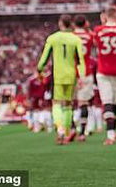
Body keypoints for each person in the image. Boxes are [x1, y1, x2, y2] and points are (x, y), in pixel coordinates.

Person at [36, 14, 86, 145]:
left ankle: (60, 130)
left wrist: (39, 69)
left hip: (57, 76)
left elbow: (44, 58)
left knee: (57, 103)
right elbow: (81, 60)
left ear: (60, 23)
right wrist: (82, 76)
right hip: (71, 75)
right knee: (68, 104)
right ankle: (67, 132)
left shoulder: (52, 38)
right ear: (70, 24)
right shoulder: (76, 39)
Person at [92, 5, 116, 145]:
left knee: (107, 102)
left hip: (103, 70)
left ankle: (110, 134)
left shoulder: (98, 30)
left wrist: (103, 23)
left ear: (105, 16)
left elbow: (97, 44)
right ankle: (113, 131)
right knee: (113, 102)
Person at [72, 14, 94, 141]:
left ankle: (73, 128)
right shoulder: (89, 36)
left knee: (70, 103)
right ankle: (82, 132)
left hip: (72, 72)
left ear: (74, 24)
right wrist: (88, 29)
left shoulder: (71, 37)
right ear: (85, 23)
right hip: (86, 71)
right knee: (84, 103)